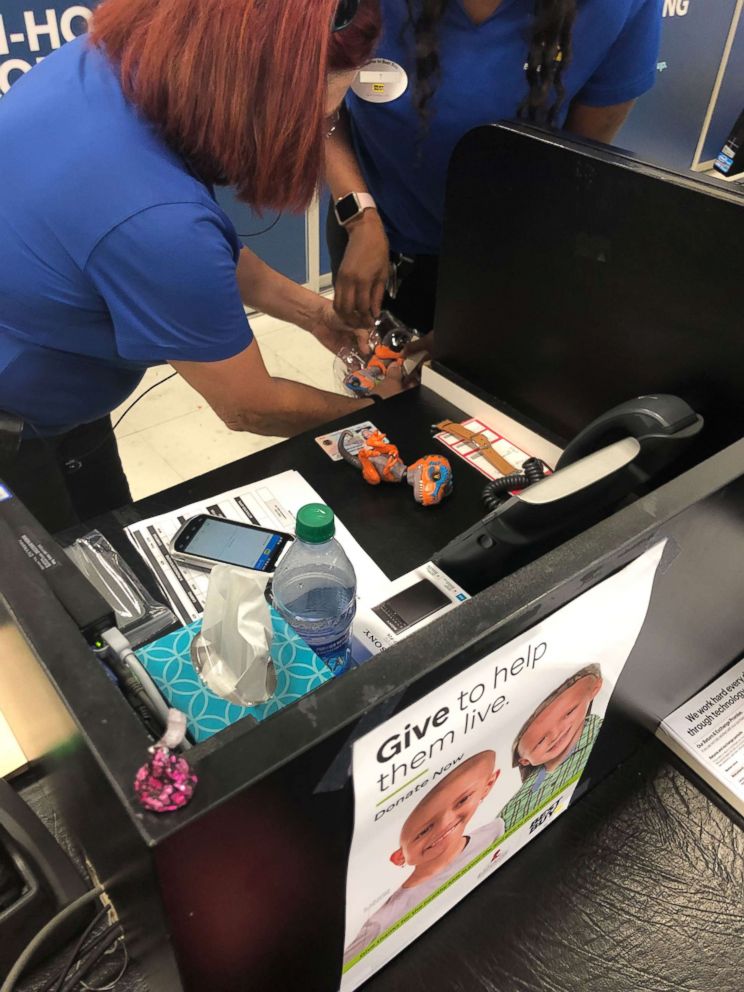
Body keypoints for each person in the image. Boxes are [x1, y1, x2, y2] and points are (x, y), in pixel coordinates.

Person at [0, 0, 404, 532]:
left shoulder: (108, 61)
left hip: (55, 388)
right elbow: (249, 405)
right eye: (320, 114)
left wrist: (313, 314)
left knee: (114, 532)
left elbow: (201, 253)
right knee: (66, 600)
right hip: (14, 428)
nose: (323, 128)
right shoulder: (159, 220)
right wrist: (378, 415)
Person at [326, 0, 663, 336]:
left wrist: (494, 302)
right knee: (375, 378)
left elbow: (576, 162)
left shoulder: (617, 8)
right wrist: (360, 217)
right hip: (369, 235)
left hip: (512, 259)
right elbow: (317, 105)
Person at [343, 750, 504, 966]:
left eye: (462, 800)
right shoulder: (381, 922)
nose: (445, 824)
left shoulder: (493, 832)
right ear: (399, 857)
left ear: (489, 785)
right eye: (423, 831)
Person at [499, 663, 603, 832]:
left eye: (569, 712)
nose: (556, 734)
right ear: (525, 761)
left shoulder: (601, 732)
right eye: (539, 741)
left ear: (595, 689)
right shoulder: (515, 804)